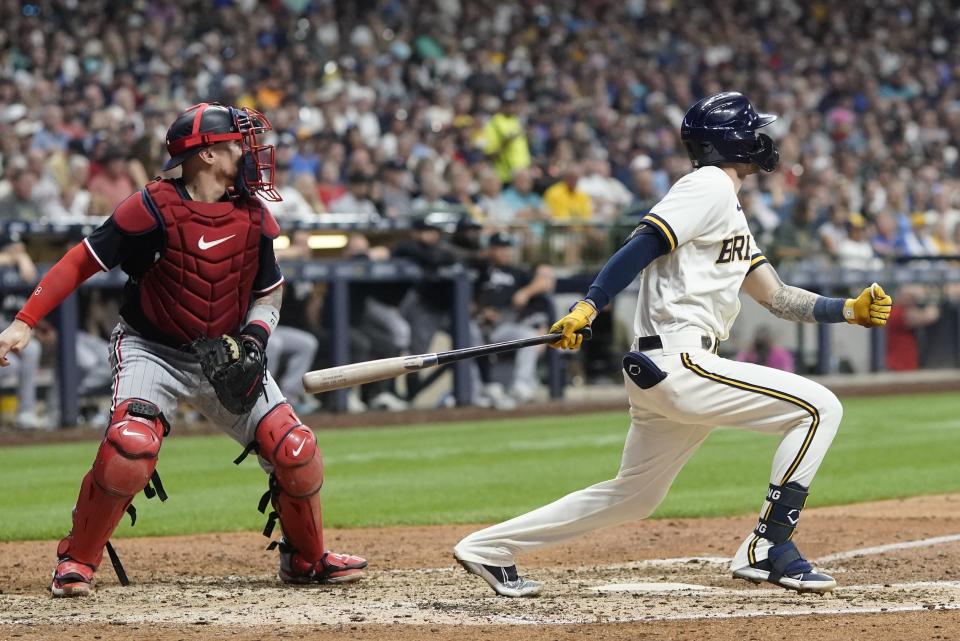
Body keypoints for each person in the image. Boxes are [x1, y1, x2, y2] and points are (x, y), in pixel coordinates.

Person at [453, 92, 893, 598]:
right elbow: (640, 243)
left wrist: (847, 310)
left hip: (669, 366)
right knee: (819, 408)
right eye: (754, 130)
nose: (763, 139)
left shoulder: (725, 205)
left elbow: (777, 296)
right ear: (735, 142)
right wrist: (590, 305)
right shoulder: (707, 185)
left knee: (634, 496)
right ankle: (768, 547)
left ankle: (488, 547)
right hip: (681, 360)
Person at [0, 102, 366, 597]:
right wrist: (24, 322)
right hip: (152, 347)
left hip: (226, 351)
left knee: (294, 449)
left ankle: (306, 558)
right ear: (206, 155)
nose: (247, 152)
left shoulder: (254, 215)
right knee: (131, 444)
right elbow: (79, 262)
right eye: (236, 144)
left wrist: (255, 338)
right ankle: (76, 560)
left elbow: (268, 292)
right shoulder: (150, 206)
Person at [475, 232, 556, 403]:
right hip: (478, 324)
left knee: (531, 337)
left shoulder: (517, 273)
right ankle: (477, 390)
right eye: (500, 248)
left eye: (507, 248)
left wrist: (525, 292)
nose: (505, 252)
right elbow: (468, 298)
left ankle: (521, 384)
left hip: (505, 325)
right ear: (491, 250)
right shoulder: (481, 269)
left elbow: (545, 284)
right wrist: (481, 310)